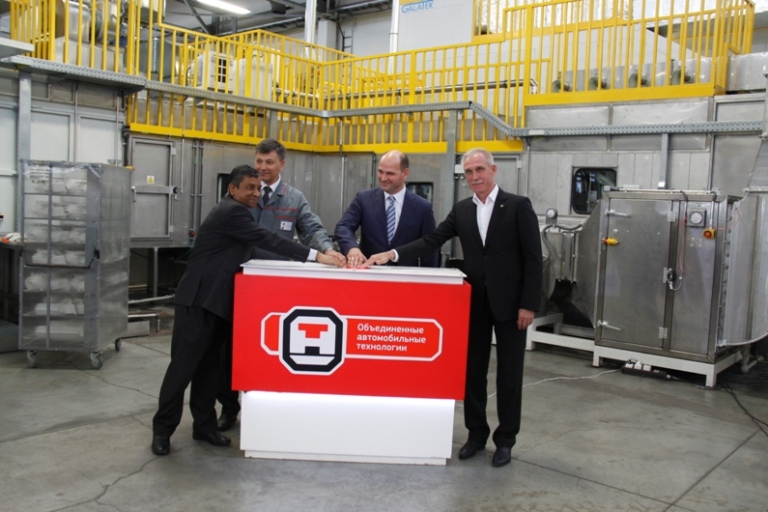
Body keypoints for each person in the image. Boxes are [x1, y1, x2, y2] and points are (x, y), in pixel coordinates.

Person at [364, 148, 542, 468]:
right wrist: (392, 254)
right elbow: (432, 240)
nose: (474, 177)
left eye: (479, 170)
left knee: (509, 376)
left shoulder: (517, 206)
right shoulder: (462, 210)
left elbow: (533, 257)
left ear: (493, 170)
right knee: (473, 373)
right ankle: (476, 434)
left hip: (511, 305)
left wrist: (528, 304)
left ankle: (505, 440)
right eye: (469, 172)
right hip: (474, 304)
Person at [151, 165, 343, 456]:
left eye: (258, 188)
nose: (256, 193)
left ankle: (204, 426)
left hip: (217, 303)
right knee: (182, 370)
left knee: (209, 370)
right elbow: (268, 240)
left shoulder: (240, 213)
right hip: (197, 301)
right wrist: (315, 256)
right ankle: (162, 431)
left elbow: (257, 248)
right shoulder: (232, 212)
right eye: (249, 188)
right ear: (233, 189)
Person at [216, 138, 345, 432]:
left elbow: (312, 228)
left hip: (275, 291)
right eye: (259, 161)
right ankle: (228, 407)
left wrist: (327, 250)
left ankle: (270, 407)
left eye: (269, 162)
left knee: (272, 347)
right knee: (230, 349)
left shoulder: (293, 198)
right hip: (238, 282)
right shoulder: (242, 193)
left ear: (282, 164)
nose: (263, 167)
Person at [334, 150, 439, 268]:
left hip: (405, 276)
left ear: (405, 173)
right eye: (380, 172)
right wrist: (352, 248)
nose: (383, 178)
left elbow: (430, 247)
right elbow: (343, 226)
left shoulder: (422, 207)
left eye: (390, 173)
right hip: (370, 273)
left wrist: (429, 275)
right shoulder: (363, 199)